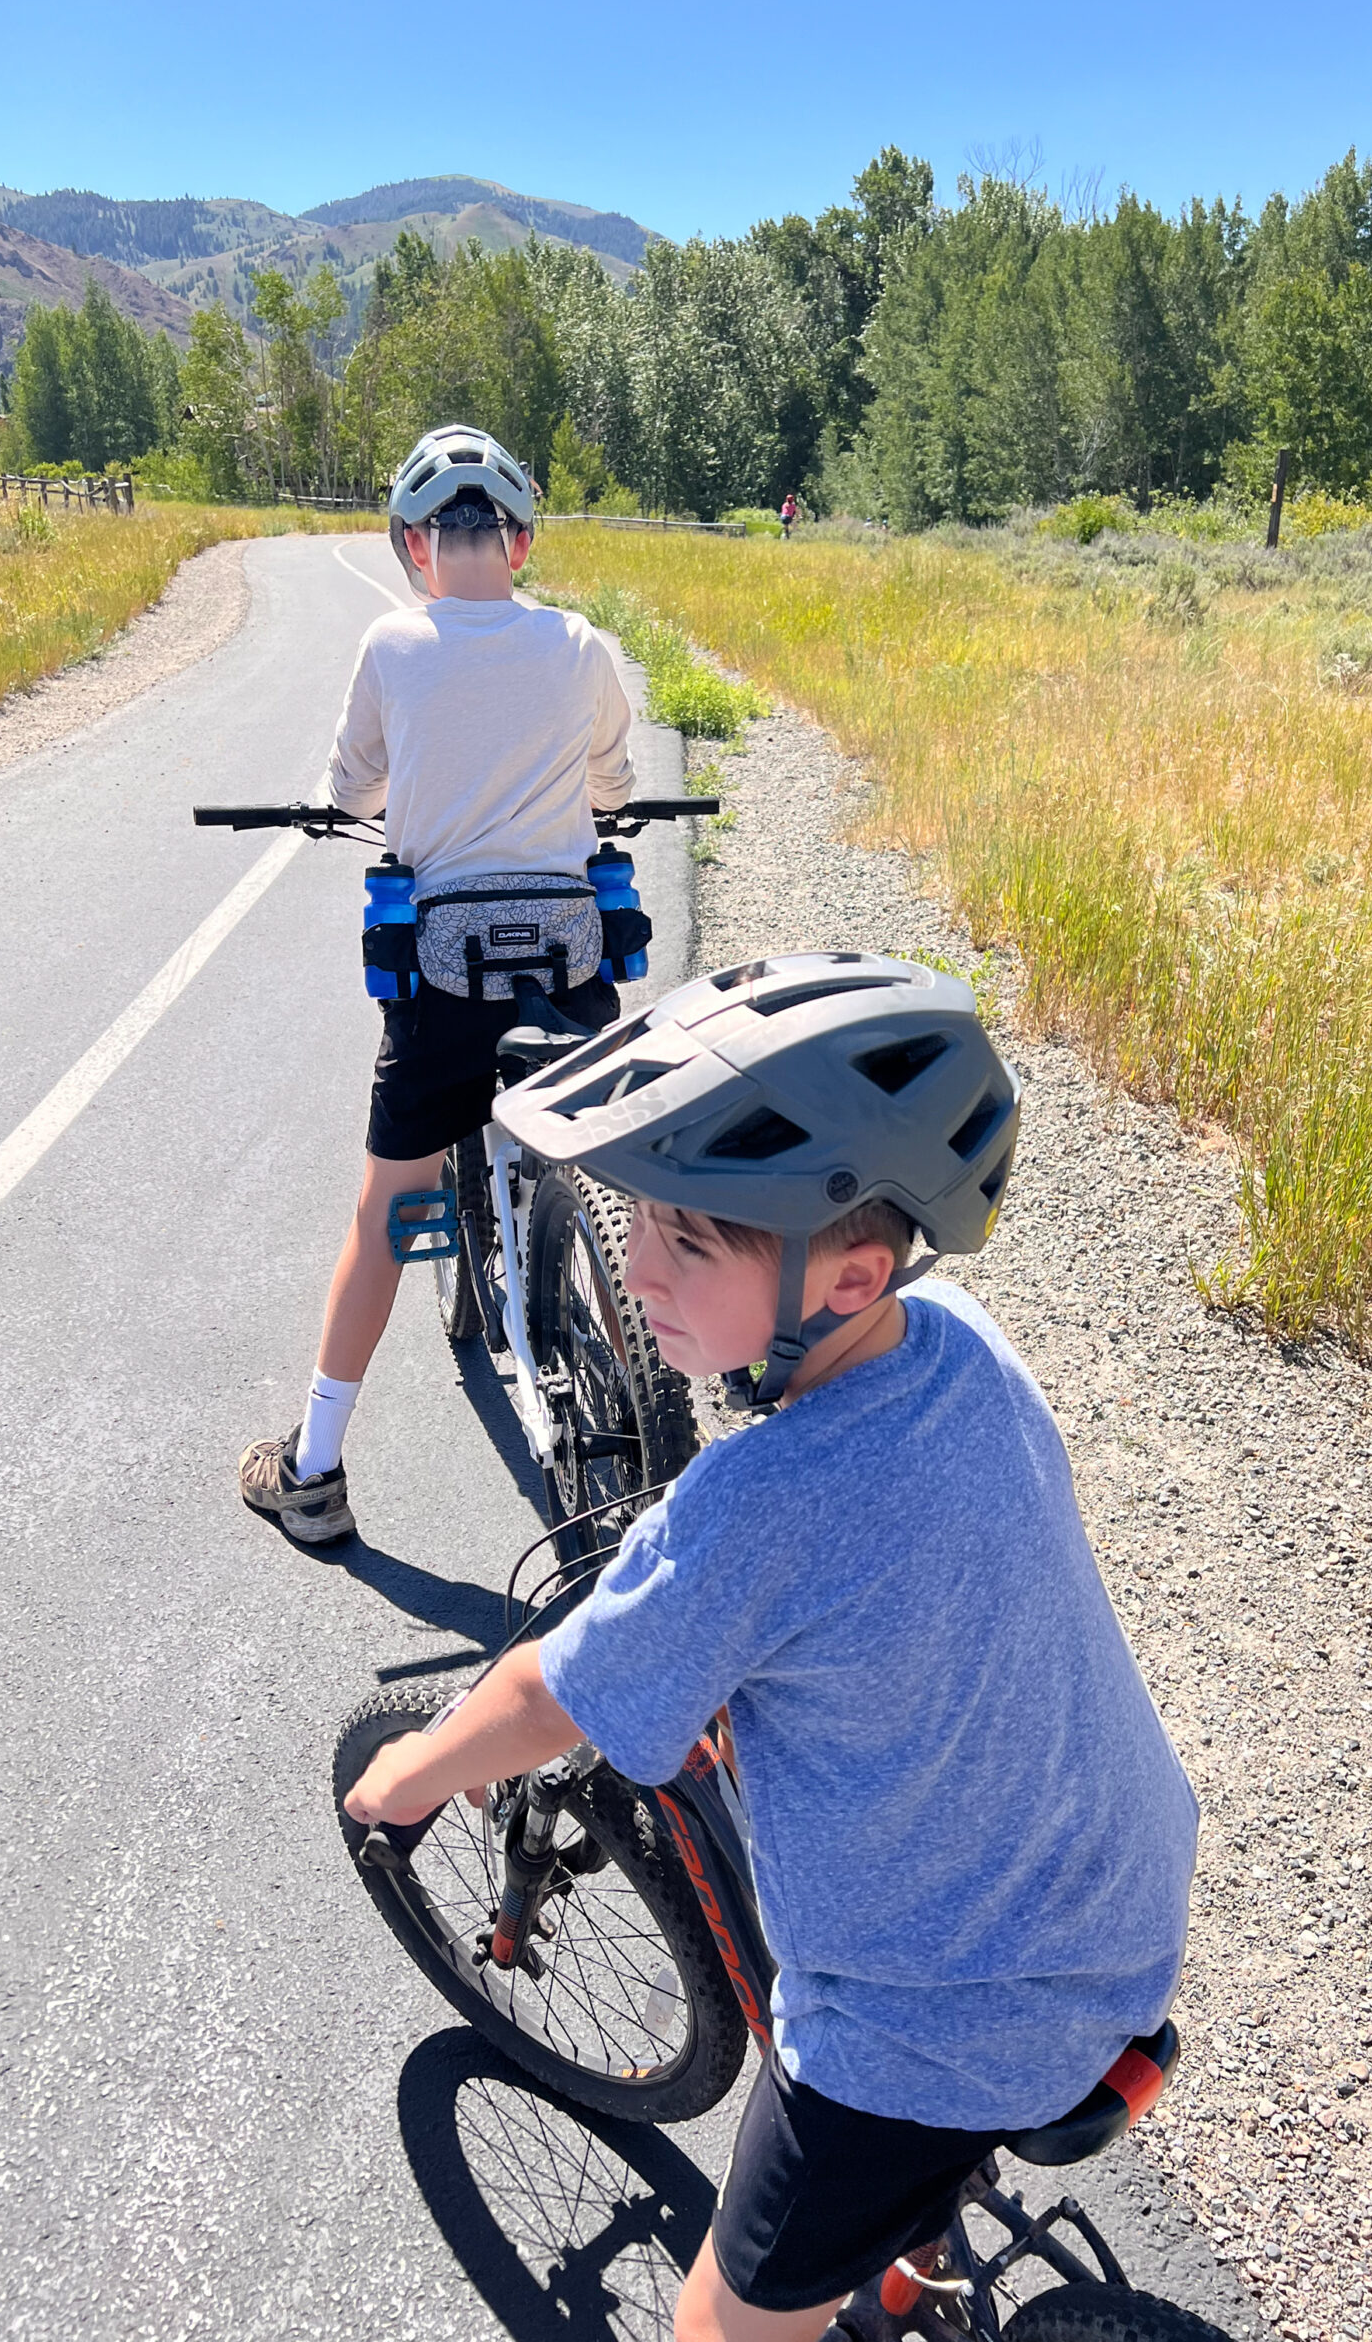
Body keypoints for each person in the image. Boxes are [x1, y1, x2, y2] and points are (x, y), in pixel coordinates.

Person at [344, 954, 1200, 2342]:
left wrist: (403, 1787)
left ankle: (874, 2246)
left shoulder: (750, 1508)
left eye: (690, 1239)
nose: (635, 1269)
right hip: (1117, 1897)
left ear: (848, 1268)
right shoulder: (960, 1341)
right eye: (640, 1225)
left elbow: (543, 1690)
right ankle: (905, 2264)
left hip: (925, 2035)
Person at [238, 423, 637, 1547]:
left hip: (444, 978)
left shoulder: (391, 644)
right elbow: (612, 777)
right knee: (608, 1162)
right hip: (568, 962)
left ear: (418, 545)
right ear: (515, 541)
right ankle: (654, 1385)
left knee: (382, 1213)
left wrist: (360, 802)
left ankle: (312, 1470)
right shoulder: (579, 643)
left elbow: (351, 784)